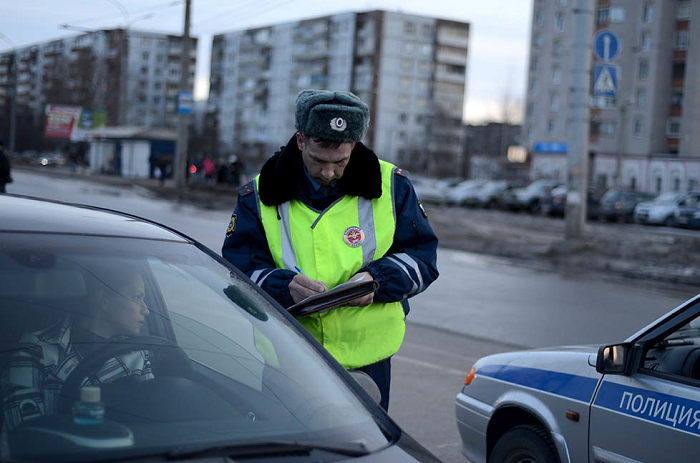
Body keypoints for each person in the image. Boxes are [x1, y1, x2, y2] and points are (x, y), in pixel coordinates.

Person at [222, 89, 439, 410]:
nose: (328, 172)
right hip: (289, 355)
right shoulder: (257, 194)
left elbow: (423, 261)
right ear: (300, 141)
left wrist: (375, 282)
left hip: (367, 359)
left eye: (340, 161)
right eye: (319, 160)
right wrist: (283, 286)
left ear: (353, 145)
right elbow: (235, 271)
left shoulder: (393, 185)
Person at [0, 262, 153, 430]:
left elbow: (152, 414)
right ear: (104, 300)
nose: (146, 310)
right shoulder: (37, 348)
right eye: (137, 297)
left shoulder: (137, 351)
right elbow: (26, 432)